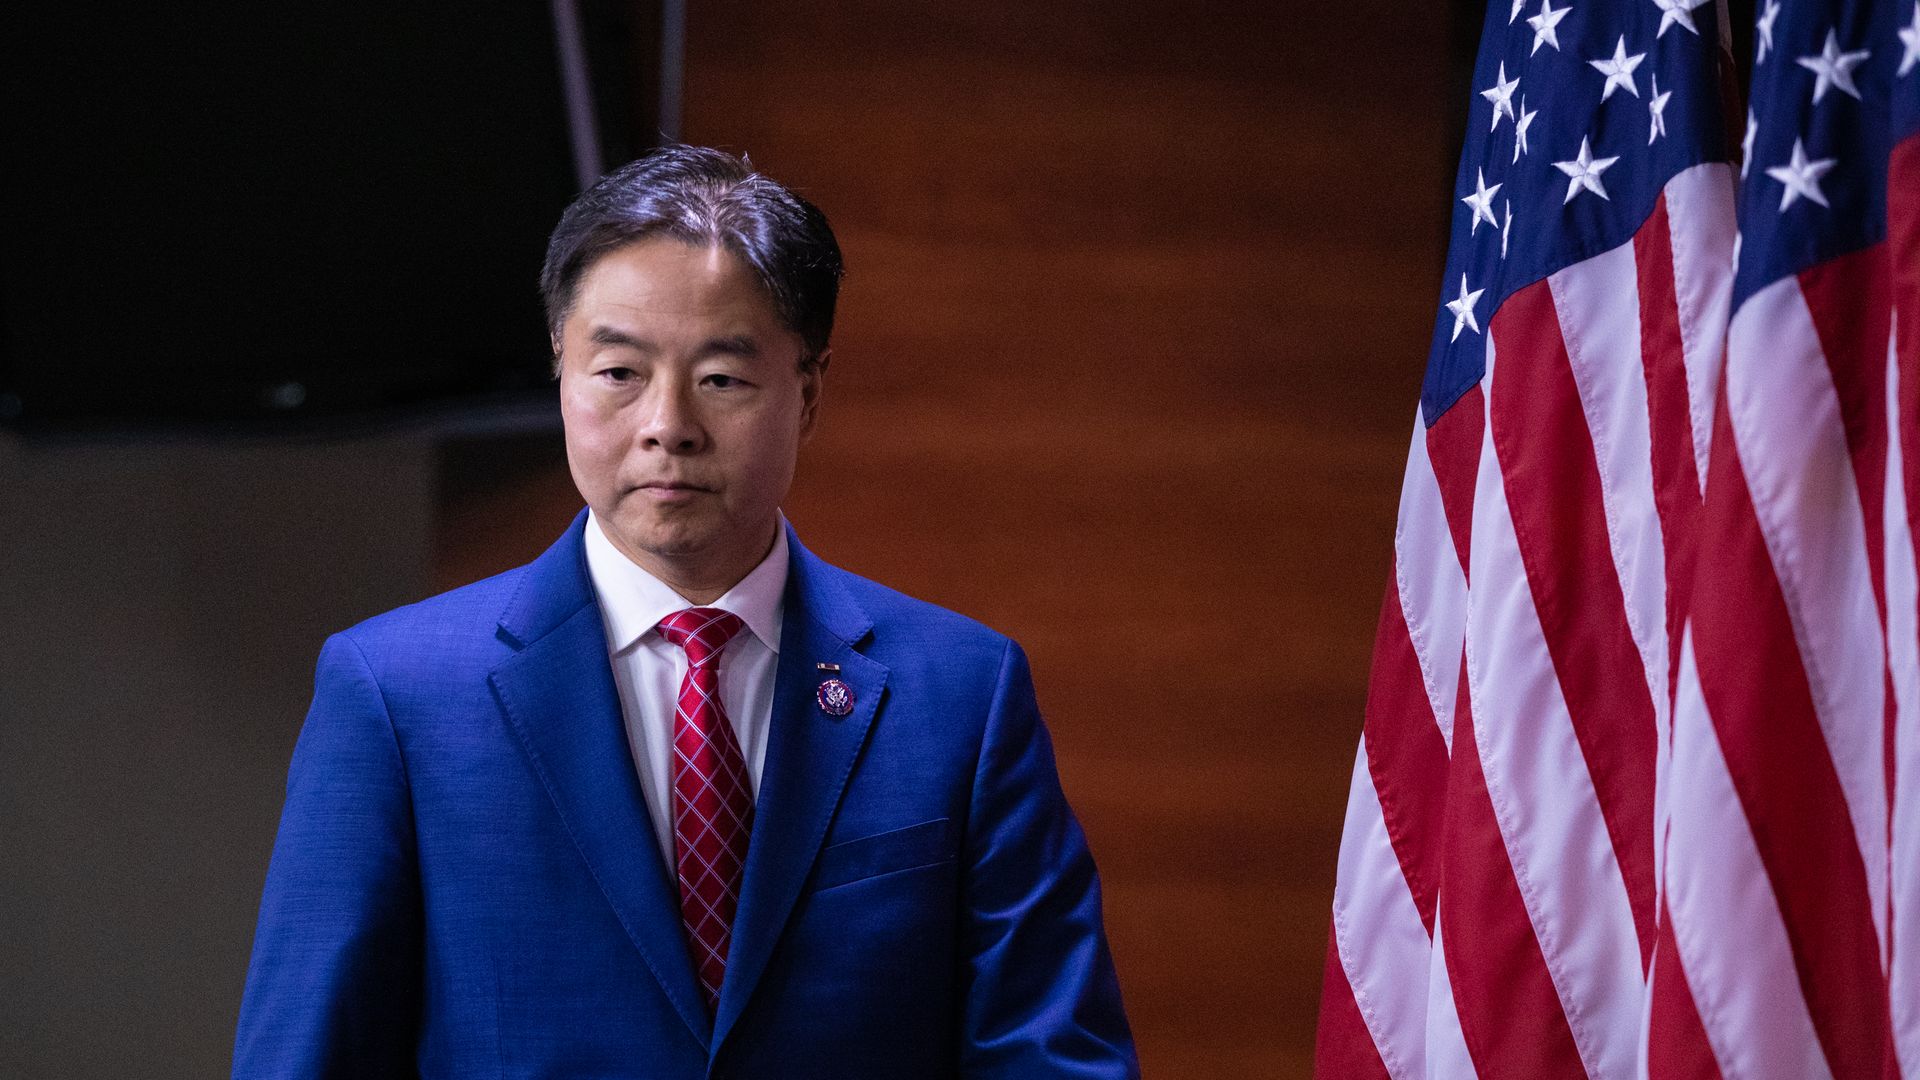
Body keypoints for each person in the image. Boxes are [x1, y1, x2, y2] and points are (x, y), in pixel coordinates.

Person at [231, 145, 1137, 1079]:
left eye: (722, 379)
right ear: (561, 371)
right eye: (619, 372)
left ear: (809, 393)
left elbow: (1052, 1056)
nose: (668, 426)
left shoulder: (962, 695)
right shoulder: (396, 695)